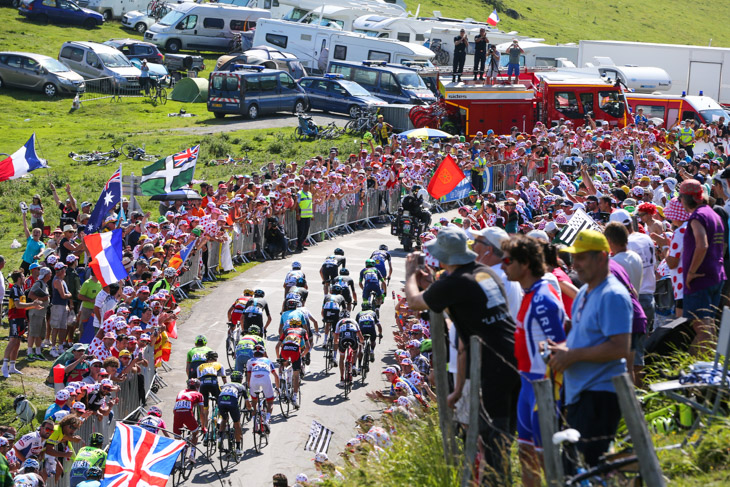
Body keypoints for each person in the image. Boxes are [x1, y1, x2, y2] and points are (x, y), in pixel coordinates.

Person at [404, 226, 519, 484]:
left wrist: (410, 274)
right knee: (500, 439)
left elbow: (414, 302)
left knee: (492, 441)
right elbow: (467, 336)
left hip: (493, 366)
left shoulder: (454, 283)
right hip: (512, 357)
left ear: (445, 258)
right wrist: (458, 389)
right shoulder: (485, 273)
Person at [547, 230, 632, 468]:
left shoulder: (612, 295)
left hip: (600, 393)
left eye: (583, 257)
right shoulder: (584, 291)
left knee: (587, 468)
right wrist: (561, 348)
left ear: (603, 257)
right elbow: (582, 336)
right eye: (575, 257)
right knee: (576, 469)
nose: (576, 264)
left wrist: (572, 355)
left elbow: (620, 348)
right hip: (579, 392)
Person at [501, 235, 566, 487]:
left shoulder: (541, 300)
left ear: (525, 263)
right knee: (526, 456)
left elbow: (561, 348)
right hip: (527, 385)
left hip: (543, 388)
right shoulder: (529, 292)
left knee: (546, 460)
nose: (503, 265)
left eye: (507, 260)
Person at [678, 179, 727, 355]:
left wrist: (691, 272)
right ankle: (711, 365)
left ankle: (699, 368)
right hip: (716, 275)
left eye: (680, 198)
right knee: (709, 324)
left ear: (686, 198)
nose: (680, 202)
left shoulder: (697, 216)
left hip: (700, 279)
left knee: (702, 327)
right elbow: (722, 246)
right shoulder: (714, 214)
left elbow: (702, 244)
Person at [472, 227, 523, 318]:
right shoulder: (505, 273)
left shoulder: (490, 277)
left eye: (476, 242)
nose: (472, 246)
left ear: (489, 249)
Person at [4, 271, 43, 377]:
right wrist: (33, 303)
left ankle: (12, 366)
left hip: (21, 318)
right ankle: (4, 366)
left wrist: (34, 306)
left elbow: (23, 306)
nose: (24, 277)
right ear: (18, 278)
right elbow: (17, 305)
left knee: (17, 343)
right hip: (15, 319)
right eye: (22, 276)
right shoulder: (15, 289)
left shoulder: (21, 289)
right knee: (12, 341)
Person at [276, 318, 309, 406]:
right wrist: (301, 356)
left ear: (290, 325)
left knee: (282, 364)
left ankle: (280, 381)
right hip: (295, 352)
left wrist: (279, 359)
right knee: (296, 374)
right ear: (299, 325)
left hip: (285, 351)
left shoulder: (286, 330)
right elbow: (308, 347)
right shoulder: (303, 330)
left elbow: (277, 346)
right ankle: (294, 397)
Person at [246, 344, 279, 431]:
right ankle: (267, 420)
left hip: (254, 380)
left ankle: (255, 423)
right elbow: (276, 376)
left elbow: (248, 378)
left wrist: (250, 388)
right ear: (263, 353)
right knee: (270, 402)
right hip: (265, 379)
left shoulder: (249, 361)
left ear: (253, 353)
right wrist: (278, 388)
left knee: (254, 402)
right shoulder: (268, 360)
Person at [217, 371, 250, 456]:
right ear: (240, 379)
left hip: (221, 400)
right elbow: (247, 402)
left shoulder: (225, 385)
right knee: (237, 423)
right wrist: (250, 409)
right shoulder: (241, 386)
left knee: (224, 418)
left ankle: (220, 437)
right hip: (232, 401)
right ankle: (238, 448)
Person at [172, 378, 204, 464]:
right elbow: (202, 413)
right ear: (197, 386)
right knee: (195, 433)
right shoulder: (199, 394)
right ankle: (192, 455)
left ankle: (174, 459)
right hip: (187, 414)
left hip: (177, 413)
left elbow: (173, 410)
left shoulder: (180, 392)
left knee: (177, 439)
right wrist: (204, 426)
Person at [197, 351, 227, 433]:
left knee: (205, 408)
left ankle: (204, 427)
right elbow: (224, 379)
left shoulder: (200, 366)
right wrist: (226, 387)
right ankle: (220, 420)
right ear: (216, 358)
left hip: (203, 386)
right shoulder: (219, 365)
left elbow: (198, 380)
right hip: (214, 384)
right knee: (221, 402)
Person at [334, 314, 364, 383]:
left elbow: (335, 340)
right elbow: (361, 338)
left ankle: (342, 379)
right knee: (355, 351)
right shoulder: (354, 321)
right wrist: (361, 342)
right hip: (352, 338)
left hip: (343, 339)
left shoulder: (339, 322)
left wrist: (338, 342)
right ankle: (353, 366)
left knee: (342, 357)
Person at [355, 301, 382, 369]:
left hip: (362, 330)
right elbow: (379, 325)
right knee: (373, 340)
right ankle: (372, 350)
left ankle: (359, 366)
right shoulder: (373, 313)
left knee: (360, 347)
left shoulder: (359, 314)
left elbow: (356, 326)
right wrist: (380, 334)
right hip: (371, 329)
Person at [295, 181, 313, 253]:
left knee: (305, 231)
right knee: (301, 231)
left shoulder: (310, 194)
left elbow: (310, 204)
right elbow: (297, 204)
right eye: (306, 186)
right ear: (303, 186)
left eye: (308, 187)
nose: (307, 188)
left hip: (308, 215)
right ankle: (299, 246)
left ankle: (302, 244)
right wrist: (298, 214)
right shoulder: (299, 194)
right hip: (301, 216)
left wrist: (312, 215)